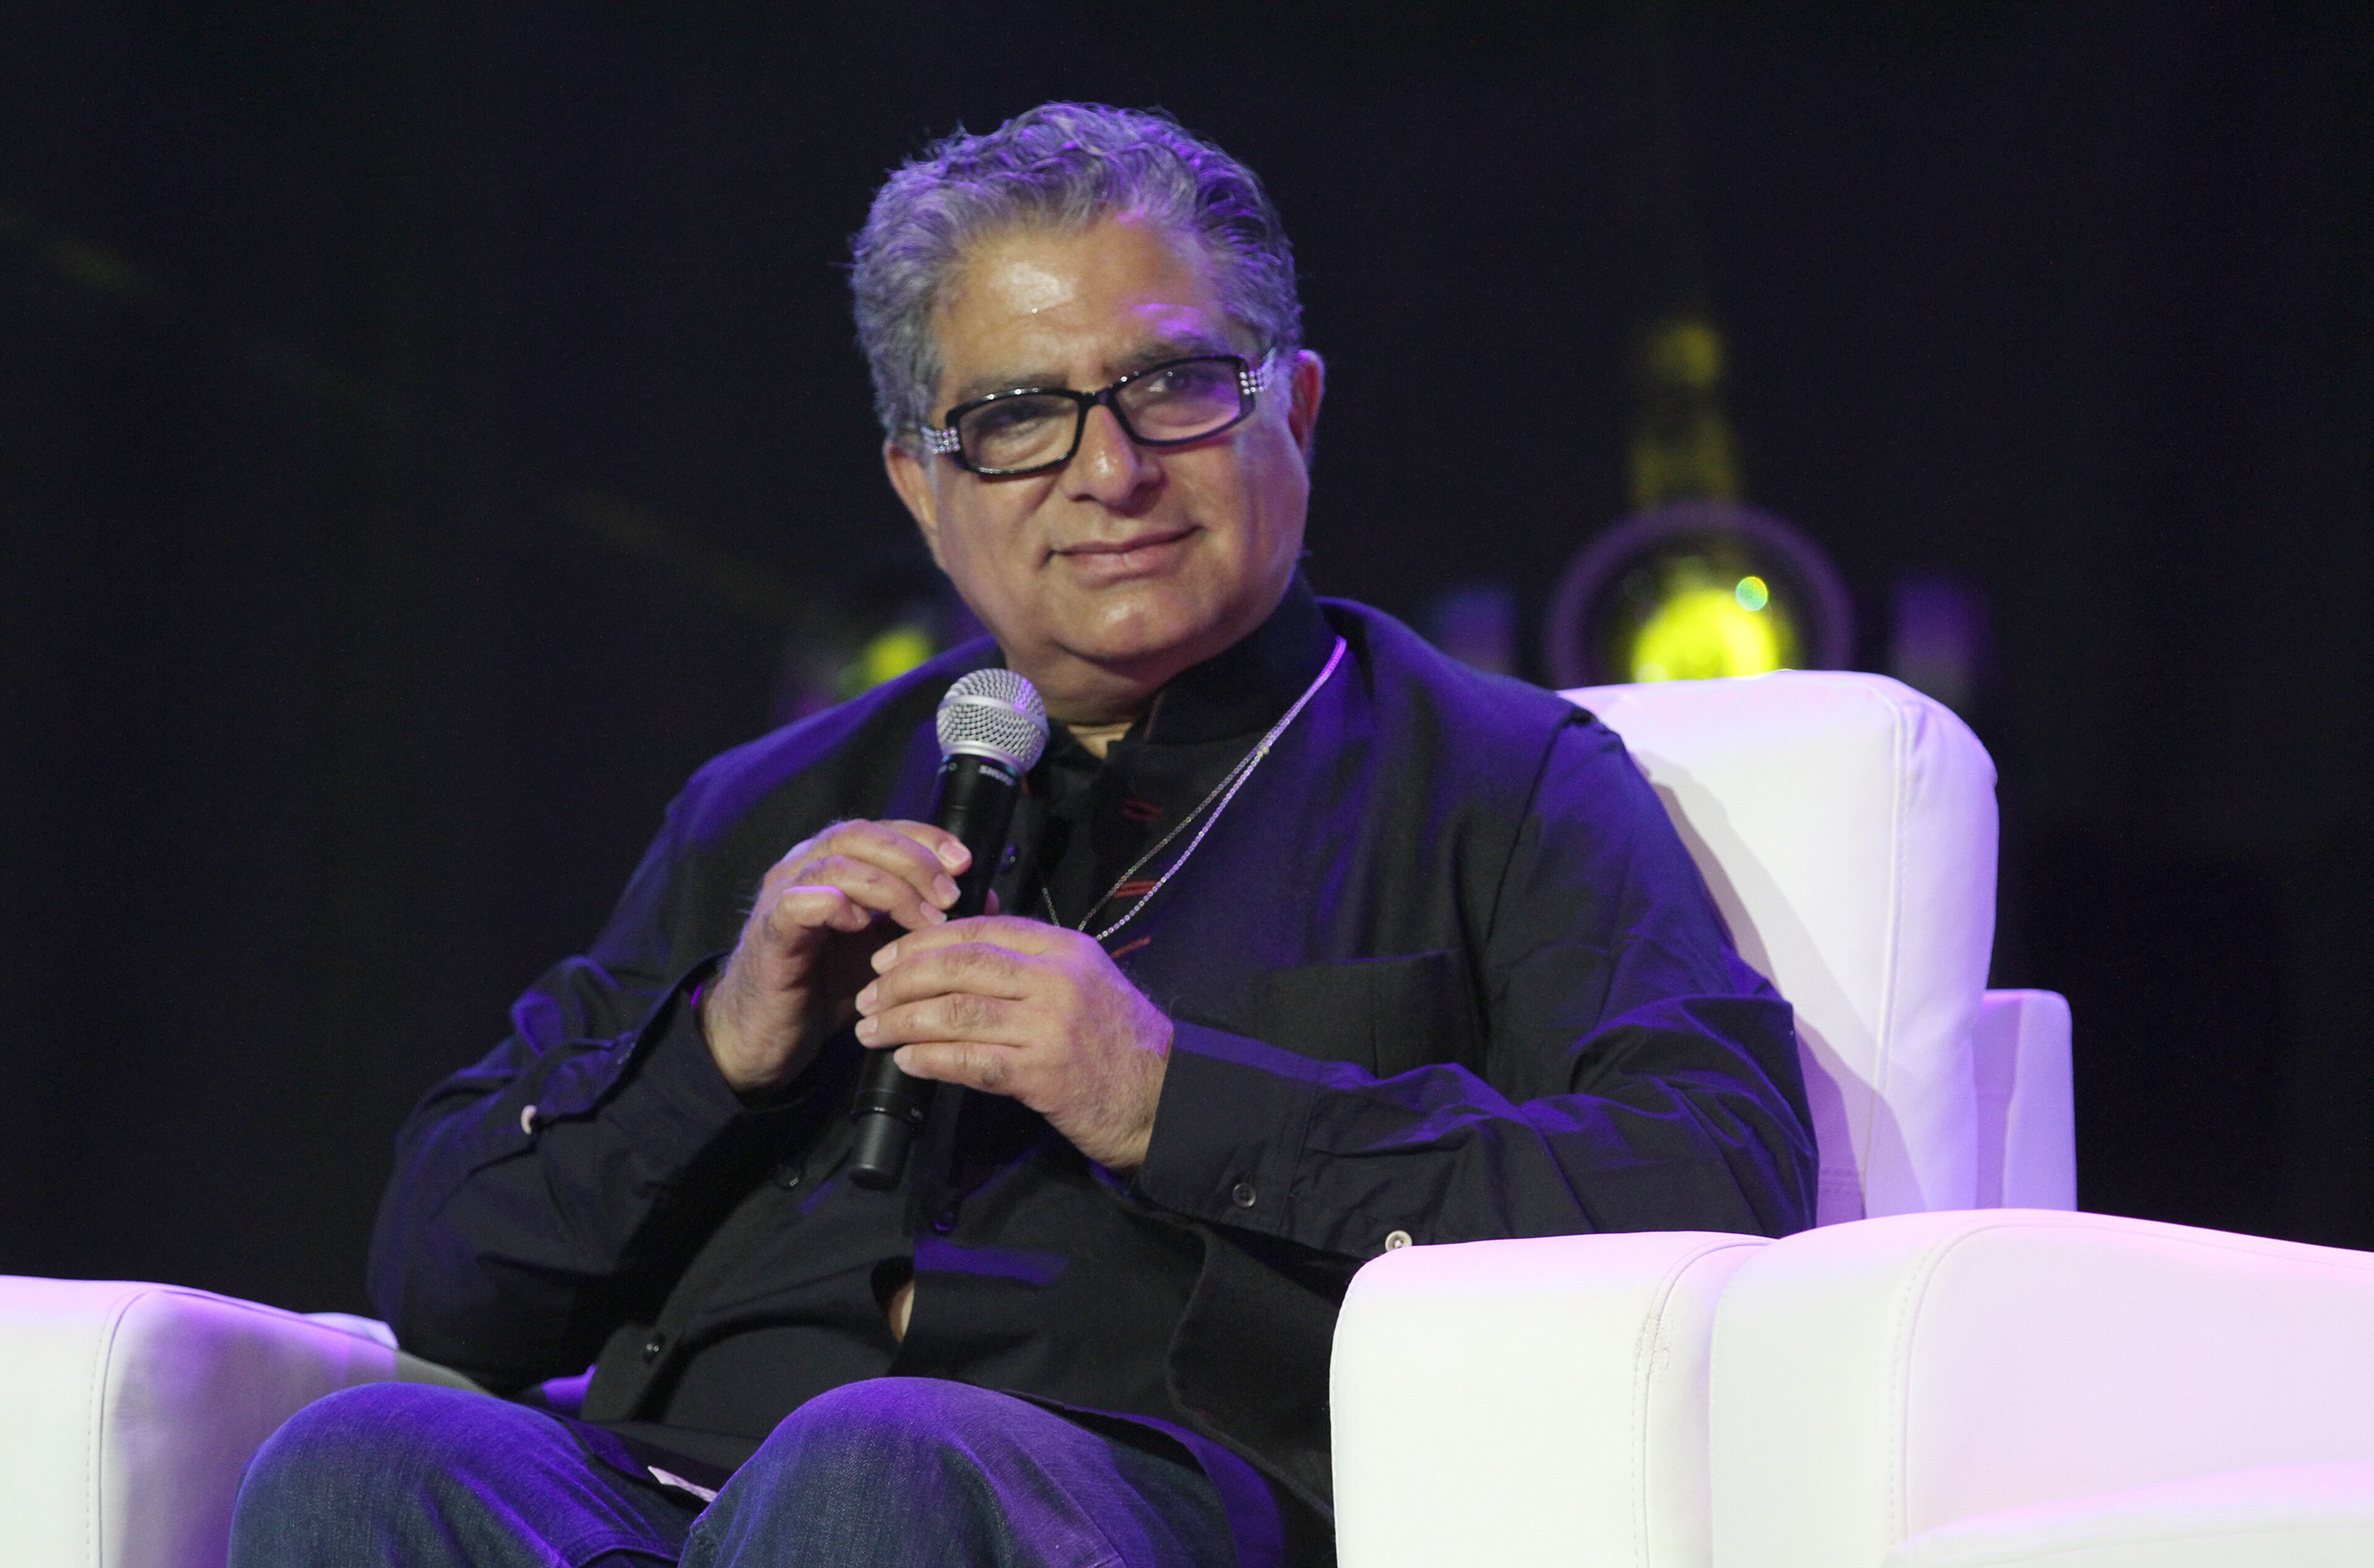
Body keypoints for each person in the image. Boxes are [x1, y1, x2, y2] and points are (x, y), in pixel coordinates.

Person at [229, 103, 1817, 1568]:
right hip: (673, 1496)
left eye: (1178, 386)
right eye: (1014, 420)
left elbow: (1715, 1175)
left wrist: (1168, 1098)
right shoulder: (771, 806)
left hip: (1138, 1494)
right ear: (922, 486)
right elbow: (445, 1272)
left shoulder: (1504, 780)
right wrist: (717, 1052)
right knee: (365, 1458)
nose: (1110, 474)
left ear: (1299, 410)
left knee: (877, 1462)